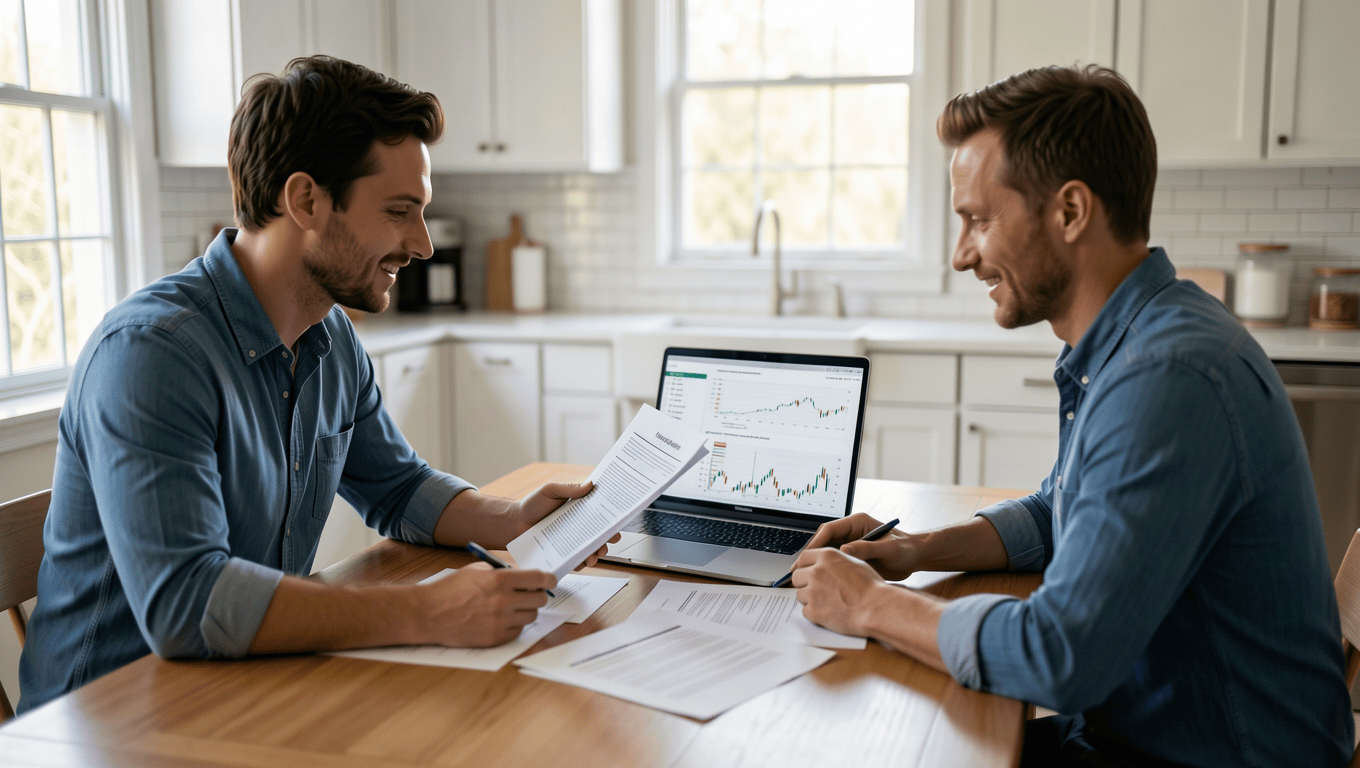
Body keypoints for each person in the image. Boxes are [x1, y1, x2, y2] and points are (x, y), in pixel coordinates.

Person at [790, 64, 1353, 767]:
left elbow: (1062, 656)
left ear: (1070, 211)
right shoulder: (1136, 339)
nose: (962, 255)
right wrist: (916, 551)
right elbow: (1062, 510)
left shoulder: (1168, 377)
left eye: (979, 219)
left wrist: (872, 606)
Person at [18, 56, 609, 713]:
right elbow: (186, 604)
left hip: (241, 687)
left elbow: (396, 485)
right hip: (106, 723)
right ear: (305, 200)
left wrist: (513, 516)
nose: (422, 245)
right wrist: (424, 610)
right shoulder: (152, 354)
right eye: (398, 211)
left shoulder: (330, 337)